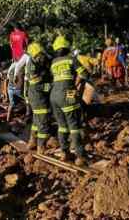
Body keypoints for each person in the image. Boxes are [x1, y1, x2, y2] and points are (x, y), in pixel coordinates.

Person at [49, 35, 90, 166]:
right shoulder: (71, 60)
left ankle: (64, 153)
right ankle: (80, 156)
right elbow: (84, 73)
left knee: (62, 126)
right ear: (67, 48)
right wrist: (75, 84)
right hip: (68, 92)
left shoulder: (54, 62)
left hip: (53, 95)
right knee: (74, 126)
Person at [24, 42, 53, 154]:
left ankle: (32, 142)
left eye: (41, 54)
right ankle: (41, 146)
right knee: (43, 120)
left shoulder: (42, 60)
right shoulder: (31, 65)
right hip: (37, 95)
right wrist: (50, 86)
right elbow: (36, 83)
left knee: (36, 120)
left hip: (37, 94)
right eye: (38, 56)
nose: (41, 57)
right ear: (34, 56)